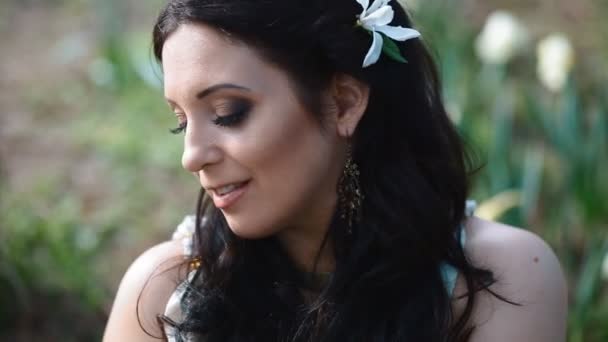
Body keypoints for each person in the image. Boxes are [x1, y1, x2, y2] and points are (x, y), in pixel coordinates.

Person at [103, 0, 568, 341]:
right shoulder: (163, 293)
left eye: (228, 112)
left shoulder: (500, 279)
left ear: (344, 102)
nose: (192, 154)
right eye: (180, 122)